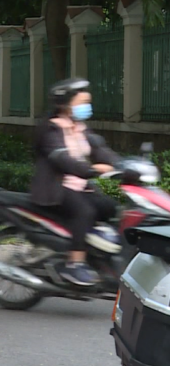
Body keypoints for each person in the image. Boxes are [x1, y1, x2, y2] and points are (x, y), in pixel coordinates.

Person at [32, 78, 119, 286]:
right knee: (84, 211)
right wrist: (90, 170)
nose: (86, 107)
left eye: (87, 102)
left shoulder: (80, 128)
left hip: (79, 186)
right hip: (56, 188)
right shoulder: (51, 130)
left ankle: (93, 251)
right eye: (82, 103)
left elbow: (101, 151)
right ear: (65, 105)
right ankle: (74, 264)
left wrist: (124, 165)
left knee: (110, 207)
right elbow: (62, 158)